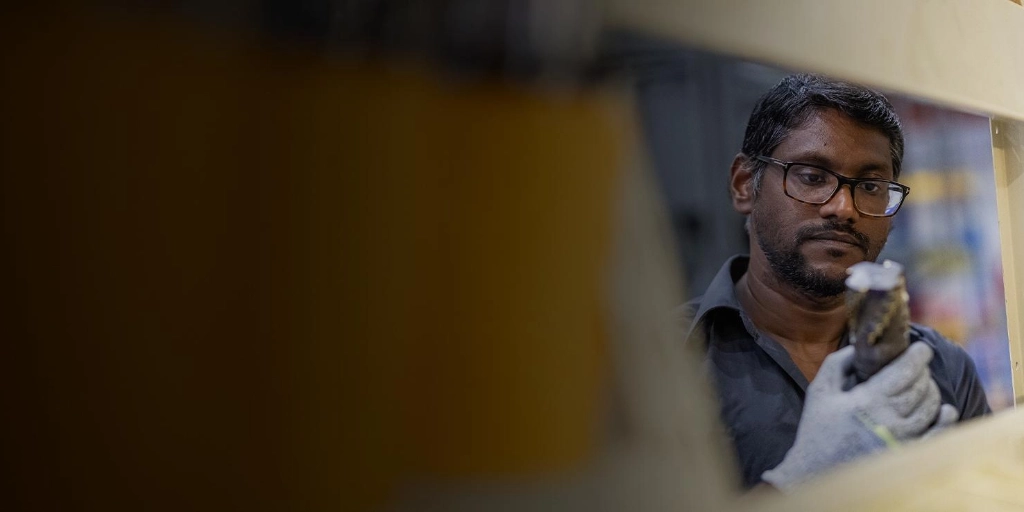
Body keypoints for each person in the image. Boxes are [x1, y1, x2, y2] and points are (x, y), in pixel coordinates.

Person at [679, 73, 991, 491]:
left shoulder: (943, 368)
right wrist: (795, 484)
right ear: (743, 186)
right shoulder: (668, 363)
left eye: (870, 186)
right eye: (812, 177)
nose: (844, 208)